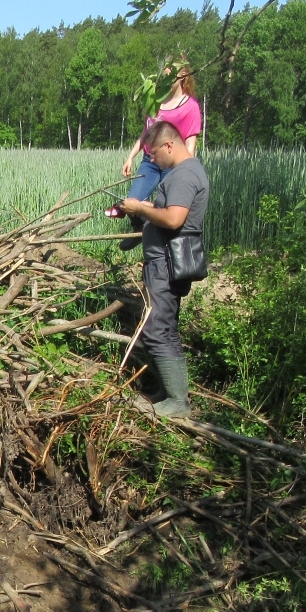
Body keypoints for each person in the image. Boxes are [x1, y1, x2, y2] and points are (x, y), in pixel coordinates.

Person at [119, 120, 209, 419]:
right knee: (158, 326)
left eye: (154, 153)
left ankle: (178, 402)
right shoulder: (183, 172)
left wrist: (140, 208)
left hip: (167, 264)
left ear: (169, 145)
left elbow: (173, 219)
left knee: (160, 330)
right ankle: (165, 392)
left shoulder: (184, 175)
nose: (152, 159)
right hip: (162, 261)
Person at [118, 60, 203, 250]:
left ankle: (164, 244)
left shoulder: (190, 107)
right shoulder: (156, 101)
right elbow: (146, 132)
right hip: (150, 160)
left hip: (172, 164)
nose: (164, 78)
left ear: (181, 77)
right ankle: (137, 230)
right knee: (133, 198)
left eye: (169, 75)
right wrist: (131, 156)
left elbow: (191, 142)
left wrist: (184, 170)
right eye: (163, 74)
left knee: (167, 206)